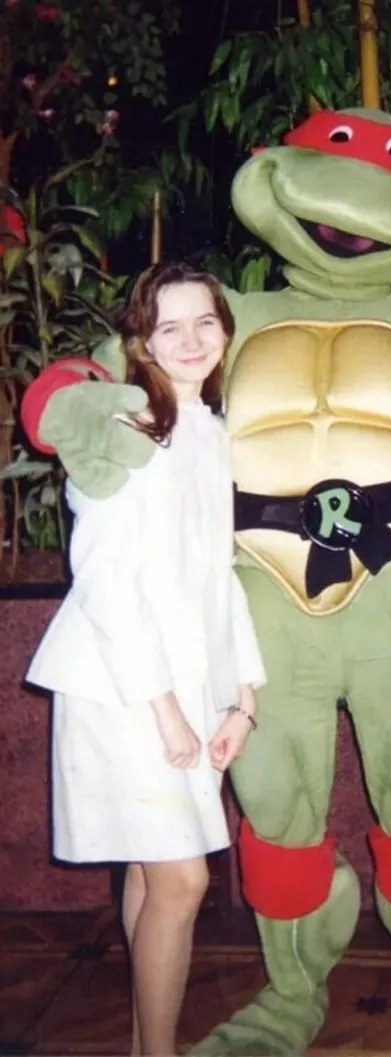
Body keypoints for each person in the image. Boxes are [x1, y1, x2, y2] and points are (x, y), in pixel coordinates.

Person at [26, 262, 267, 1057]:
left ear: (226, 330)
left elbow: (218, 573)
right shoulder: (123, 430)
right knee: (183, 879)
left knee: (151, 871)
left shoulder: (210, 429)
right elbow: (103, 580)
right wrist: (165, 708)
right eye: (170, 327)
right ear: (142, 343)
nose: (192, 340)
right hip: (122, 684)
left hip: (185, 681)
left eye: (206, 322)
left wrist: (243, 696)